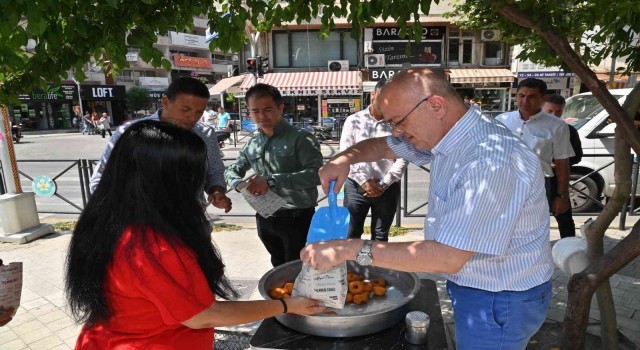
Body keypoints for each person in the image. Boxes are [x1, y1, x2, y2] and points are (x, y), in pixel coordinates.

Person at [300, 69, 554, 349]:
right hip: (479, 286)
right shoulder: (452, 133)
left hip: (500, 297)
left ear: (435, 106)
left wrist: (349, 249)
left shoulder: (489, 162)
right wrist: (344, 158)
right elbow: (383, 145)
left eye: (398, 122)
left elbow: (448, 257)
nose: (396, 131)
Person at [66, 121, 324, 349]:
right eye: (193, 175)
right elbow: (204, 315)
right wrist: (288, 306)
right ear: (166, 181)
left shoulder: (108, 218)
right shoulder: (153, 246)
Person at [89, 77, 232, 213]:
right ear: (165, 102)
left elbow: (214, 171)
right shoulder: (130, 132)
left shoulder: (205, 134)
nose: (192, 118)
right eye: (185, 110)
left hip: (192, 225)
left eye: (199, 112)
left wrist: (217, 191)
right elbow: (101, 179)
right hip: (138, 227)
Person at [225, 83, 323, 267]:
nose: (261, 116)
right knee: (277, 268)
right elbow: (231, 170)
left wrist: (272, 180)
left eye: (267, 109)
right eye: (255, 111)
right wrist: (238, 184)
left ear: (280, 107)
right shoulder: (252, 143)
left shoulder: (301, 138)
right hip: (265, 217)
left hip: (297, 217)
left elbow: (316, 175)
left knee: (298, 269)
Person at [497, 79, 575, 238]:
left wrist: (562, 196)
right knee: (502, 228)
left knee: (533, 230)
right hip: (504, 183)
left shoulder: (557, 126)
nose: (525, 101)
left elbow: (562, 163)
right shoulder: (502, 121)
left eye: (532, 96)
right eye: (521, 95)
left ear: (543, 98)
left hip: (538, 184)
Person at [340, 79, 407, 241]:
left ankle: (375, 267)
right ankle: (352, 267)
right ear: (373, 95)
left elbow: (403, 157)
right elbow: (346, 154)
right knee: (351, 235)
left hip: (387, 188)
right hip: (356, 186)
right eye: (383, 98)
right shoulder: (354, 121)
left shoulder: (397, 124)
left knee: (380, 236)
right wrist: (364, 181)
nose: (386, 104)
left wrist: (383, 184)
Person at [542, 94, 582, 237]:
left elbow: (577, 155)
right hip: (537, 180)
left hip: (558, 180)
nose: (554, 115)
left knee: (564, 218)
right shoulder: (532, 127)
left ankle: (570, 250)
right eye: (550, 111)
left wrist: (561, 163)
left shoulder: (568, 130)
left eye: (558, 112)